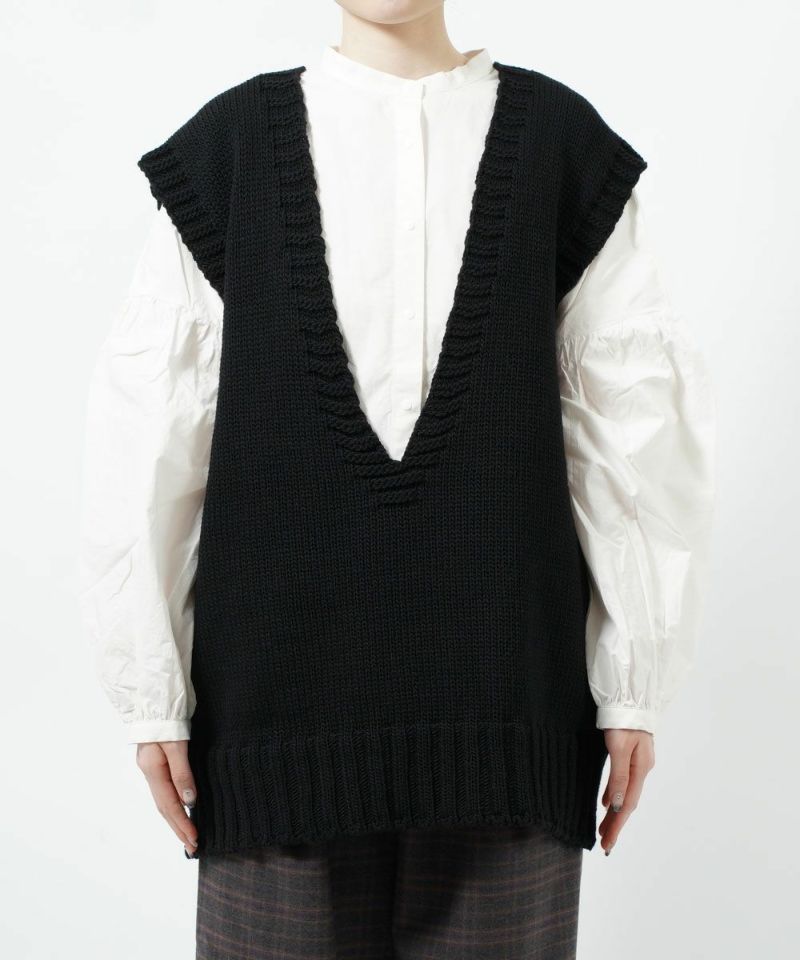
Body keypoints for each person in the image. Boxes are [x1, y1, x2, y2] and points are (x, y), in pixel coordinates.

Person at [78, 1, 716, 957]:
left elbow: (632, 428)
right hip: (271, 730)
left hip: (508, 721)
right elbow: (150, 436)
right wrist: (149, 690)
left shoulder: (560, 145)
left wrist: (635, 684)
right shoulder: (230, 151)